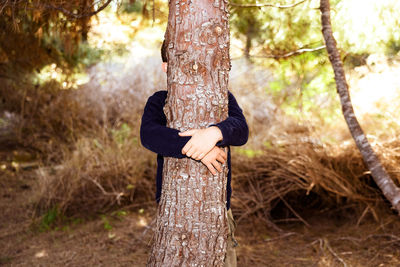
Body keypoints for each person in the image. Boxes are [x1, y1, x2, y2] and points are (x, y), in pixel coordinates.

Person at [140, 41, 248, 266]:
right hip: (175, 210)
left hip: (218, 208)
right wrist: (199, 147)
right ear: (166, 67)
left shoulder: (221, 98)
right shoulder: (160, 100)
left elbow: (241, 130)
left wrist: (215, 132)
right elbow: (149, 135)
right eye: (180, 62)